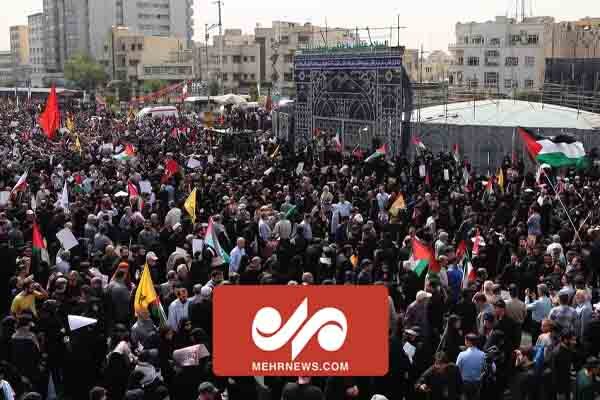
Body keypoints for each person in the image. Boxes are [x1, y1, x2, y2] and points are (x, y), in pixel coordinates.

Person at [456, 333, 486, 400]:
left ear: (467, 342)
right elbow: (488, 368)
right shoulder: (483, 355)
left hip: (464, 383)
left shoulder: (461, 355)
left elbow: (457, 370)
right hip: (477, 383)